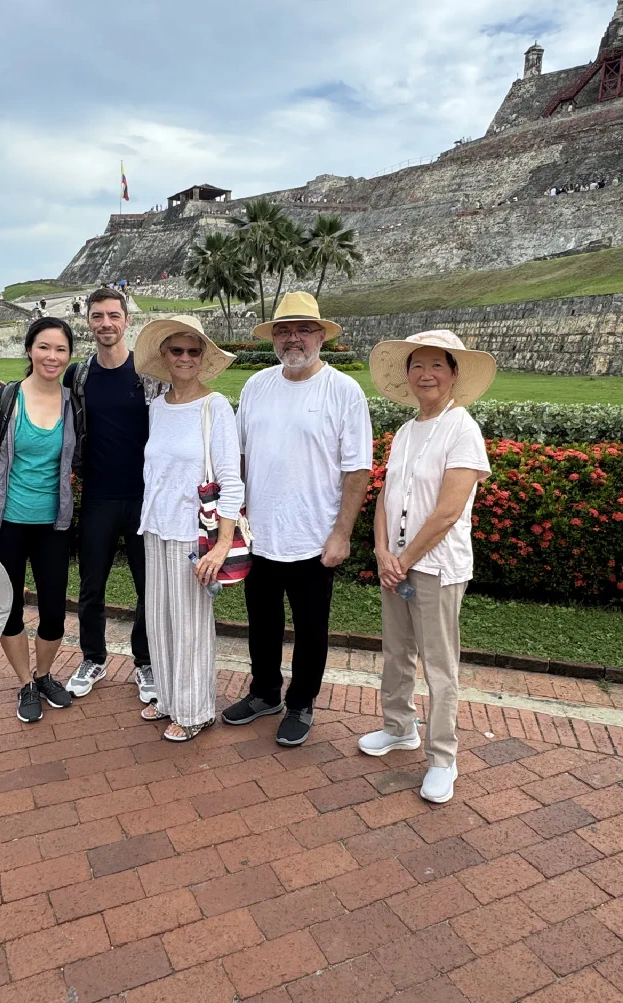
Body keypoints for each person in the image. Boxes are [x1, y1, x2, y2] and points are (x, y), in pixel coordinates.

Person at [223, 292, 372, 746]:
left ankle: (301, 702)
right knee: (262, 623)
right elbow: (241, 459)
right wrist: (233, 522)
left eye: (303, 329)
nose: (293, 339)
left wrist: (342, 533)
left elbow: (357, 469)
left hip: (314, 537)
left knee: (311, 630)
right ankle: (265, 692)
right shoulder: (257, 387)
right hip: (261, 533)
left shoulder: (343, 392)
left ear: (321, 336)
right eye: (284, 330)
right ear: (274, 338)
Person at [358, 330, 495, 804]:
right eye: (418, 365)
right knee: (396, 653)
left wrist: (404, 560)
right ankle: (399, 728)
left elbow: (447, 511)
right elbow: (384, 498)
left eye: (438, 365)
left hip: (436, 567)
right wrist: (382, 553)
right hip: (397, 564)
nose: (427, 374)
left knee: (439, 666)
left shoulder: (463, 428)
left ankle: (443, 758)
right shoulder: (405, 430)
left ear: (454, 373)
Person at [0, 318, 77, 723]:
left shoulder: (72, 402)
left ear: (69, 356)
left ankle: (44, 675)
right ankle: (25, 682)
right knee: (8, 609)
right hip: (3, 522)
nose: (52, 356)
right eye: (44, 347)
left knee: (53, 612)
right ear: (29, 350)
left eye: (60, 349)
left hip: (52, 525)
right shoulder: (3, 399)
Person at [134, 316, 242, 740]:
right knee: (159, 618)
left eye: (192, 351)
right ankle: (168, 698)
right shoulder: (157, 407)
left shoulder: (214, 407)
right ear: (164, 356)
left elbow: (231, 479)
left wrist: (223, 544)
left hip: (193, 533)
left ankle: (195, 710)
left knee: (190, 622)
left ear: (203, 358)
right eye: (176, 350)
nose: (184, 358)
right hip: (155, 526)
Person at [64, 288, 168, 702]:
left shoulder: (148, 374)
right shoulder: (79, 376)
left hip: (145, 498)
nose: (105, 323)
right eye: (97, 316)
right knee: (91, 585)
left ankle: (144, 662)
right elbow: (43, 393)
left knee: (149, 586)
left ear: (126, 320)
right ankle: (93, 657)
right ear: (88, 322)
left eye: (113, 315)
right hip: (98, 497)